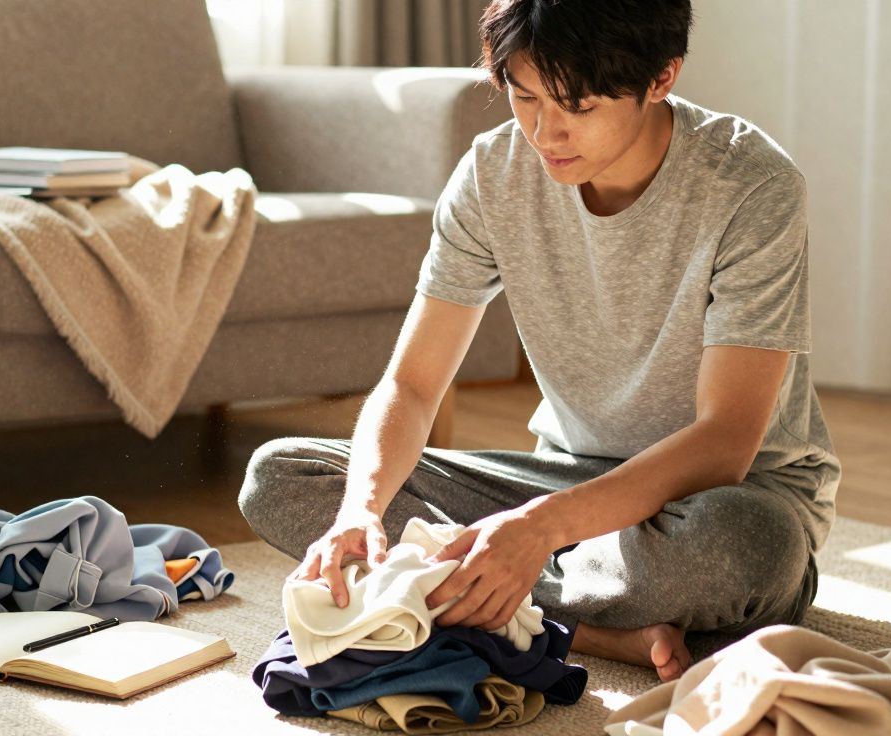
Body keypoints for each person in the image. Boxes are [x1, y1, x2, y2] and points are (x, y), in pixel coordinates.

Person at [238, 0, 840, 682]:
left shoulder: (752, 185)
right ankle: (593, 629)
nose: (544, 132)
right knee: (283, 477)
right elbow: (411, 385)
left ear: (662, 77)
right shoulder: (493, 174)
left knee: (744, 550)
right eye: (524, 98)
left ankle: (494, 591)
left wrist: (538, 532)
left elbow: (726, 441)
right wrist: (361, 511)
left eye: (577, 106)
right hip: (568, 477)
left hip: (728, 493)